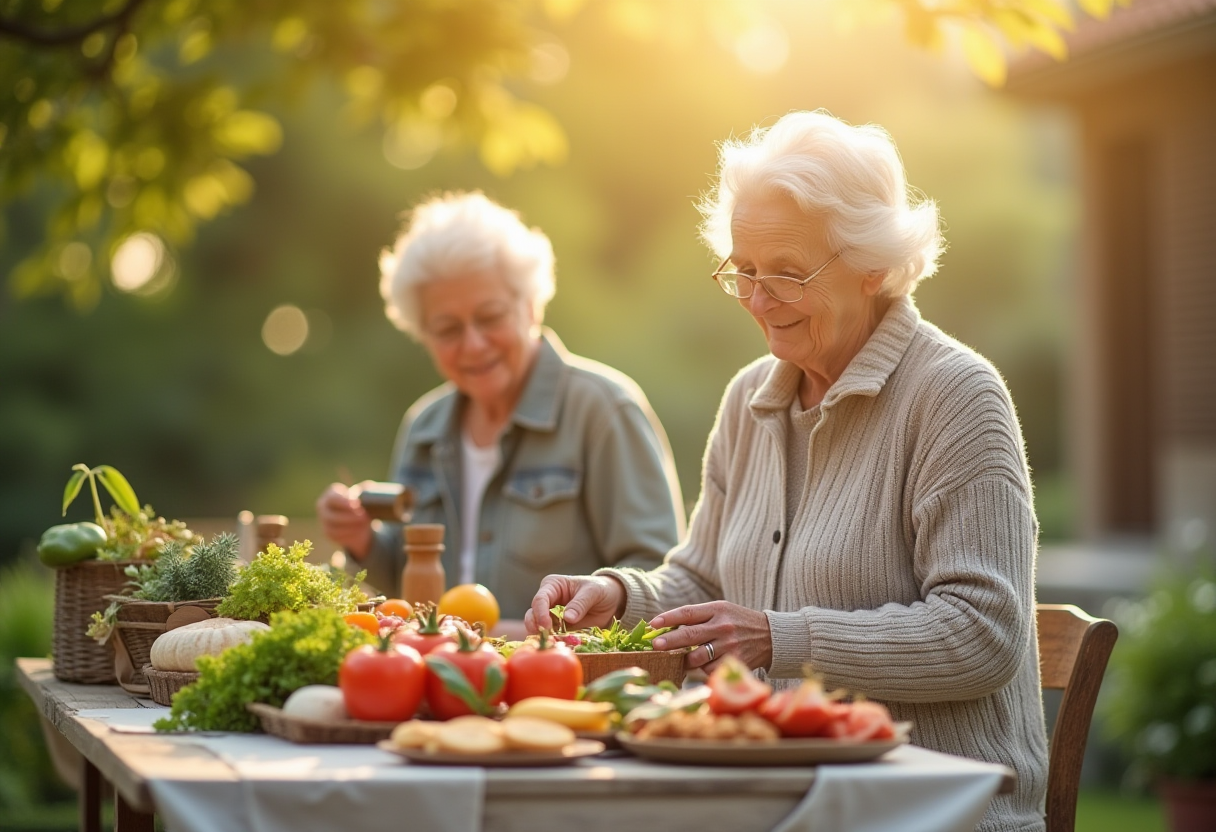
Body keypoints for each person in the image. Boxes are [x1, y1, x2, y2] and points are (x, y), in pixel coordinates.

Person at [527, 111, 1048, 832]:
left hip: (930, 810)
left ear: (872, 265)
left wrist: (781, 638)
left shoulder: (956, 396)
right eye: (744, 270)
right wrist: (617, 596)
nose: (758, 299)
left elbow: (983, 635)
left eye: (787, 273)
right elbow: (703, 581)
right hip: (777, 800)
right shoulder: (750, 398)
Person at [318, 192, 685, 636]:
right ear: (423, 335)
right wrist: (361, 541)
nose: (473, 344)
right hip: (440, 669)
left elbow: (659, 578)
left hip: (559, 670)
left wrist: (544, 631)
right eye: (448, 329)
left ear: (529, 306)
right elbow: (407, 590)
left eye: (490, 317)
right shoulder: (423, 426)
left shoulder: (604, 410)